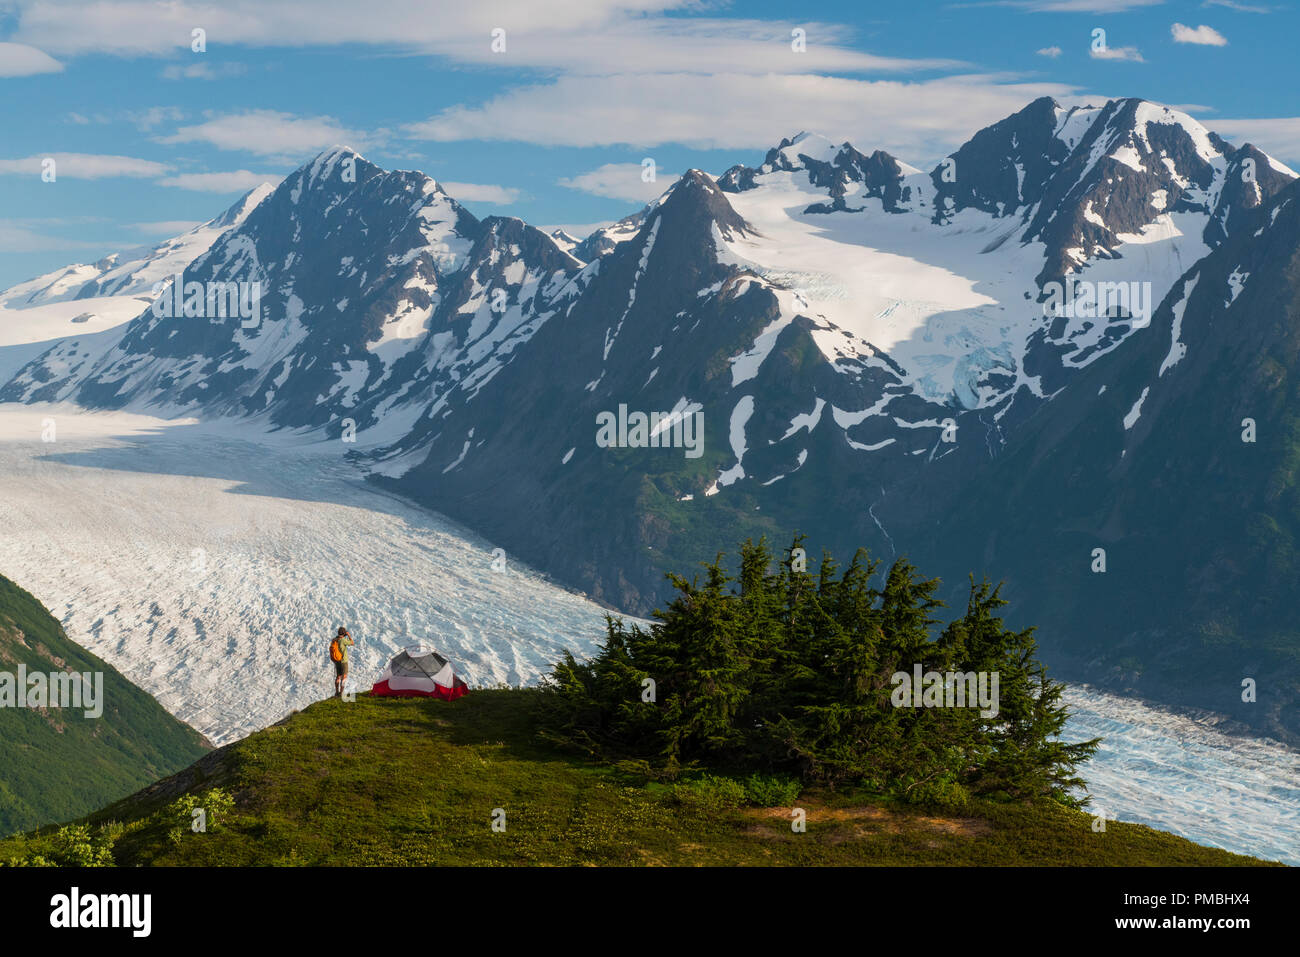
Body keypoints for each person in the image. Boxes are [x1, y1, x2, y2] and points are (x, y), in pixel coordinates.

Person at [330, 626, 354, 698]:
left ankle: (337, 692)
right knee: (344, 677)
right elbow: (352, 643)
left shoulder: (334, 640)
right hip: (343, 661)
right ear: (344, 633)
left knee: (338, 677)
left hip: (337, 661)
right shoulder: (343, 640)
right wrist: (349, 635)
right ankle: (341, 693)